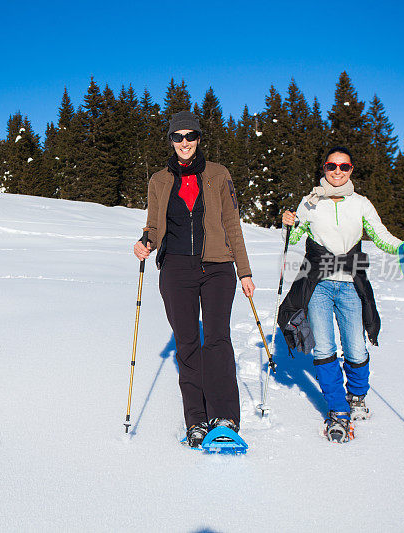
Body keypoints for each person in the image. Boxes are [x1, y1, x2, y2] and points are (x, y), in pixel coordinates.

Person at [278, 146, 404, 443]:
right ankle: (337, 409)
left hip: (349, 283)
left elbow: (381, 237)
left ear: (351, 170)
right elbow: (293, 238)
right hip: (317, 283)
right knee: (324, 348)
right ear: (324, 169)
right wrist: (288, 222)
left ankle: (357, 396)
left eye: (344, 167)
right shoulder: (309, 202)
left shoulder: (361, 204)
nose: (337, 172)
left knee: (356, 346)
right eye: (332, 166)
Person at [133, 111, 254, 448]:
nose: (184, 143)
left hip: (217, 267)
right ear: (170, 141)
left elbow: (232, 224)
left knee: (216, 339)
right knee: (187, 343)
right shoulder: (158, 180)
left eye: (190, 136)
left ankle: (224, 418)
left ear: (199, 138)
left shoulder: (218, 174)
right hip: (175, 269)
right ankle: (196, 421)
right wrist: (145, 242)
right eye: (177, 137)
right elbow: (154, 226)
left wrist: (244, 271)